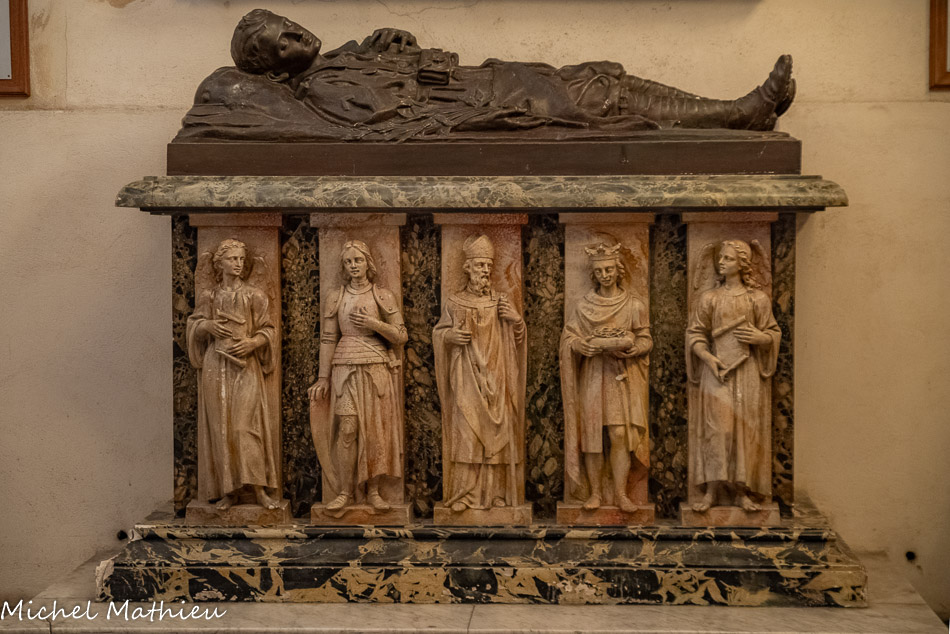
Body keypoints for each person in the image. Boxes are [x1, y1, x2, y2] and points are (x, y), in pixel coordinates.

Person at [179, 9, 796, 141]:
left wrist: (396, 43)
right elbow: (388, 116)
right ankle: (737, 114)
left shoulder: (345, 53)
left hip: (482, 78)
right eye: (283, 44)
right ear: (274, 67)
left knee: (598, 79)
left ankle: (737, 112)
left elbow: (397, 68)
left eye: (289, 25)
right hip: (478, 100)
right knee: (596, 94)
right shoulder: (320, 89)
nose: (298, 37)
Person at [308, 240, 407, 512]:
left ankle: (373, 490)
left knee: (375, 432)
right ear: (343, 266)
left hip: (375, 366)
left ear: (367, 263)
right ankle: (345, 491)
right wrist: (323, 377)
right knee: (348, 428)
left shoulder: (382, 295)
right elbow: (328, 338)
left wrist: (374, 324)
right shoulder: (336, 296)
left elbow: (401, 335)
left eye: (358, 260)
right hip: (344, 366)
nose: (353, 265)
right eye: (348, 261)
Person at [686, 240, 781, 513]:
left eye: (728, 258)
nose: (721, 262)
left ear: (742, 264)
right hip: (716, 370)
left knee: (744, 429)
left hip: (747, 371)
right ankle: (712, 490)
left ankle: (741, 491)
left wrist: (761, 337)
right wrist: (707, 357)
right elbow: (695, 334)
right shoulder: (710, 299)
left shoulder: (757, 299)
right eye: (721, 258)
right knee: (717, 430)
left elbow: (772, 332)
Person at [433, 235, 526, 512]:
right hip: (466, 378)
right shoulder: (455, 303)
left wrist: (516, 320)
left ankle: (496, 494)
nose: (485, 270)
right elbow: (439, 334)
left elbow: (518, 339)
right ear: (468, 268)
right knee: (468, 434)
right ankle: (466, 495)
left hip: (497, 375)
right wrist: (449, 337)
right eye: (479, 265)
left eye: (488, 265)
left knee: (497, 434)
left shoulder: (501, 302)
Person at [186, 239, 280, 510]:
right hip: (216, 366)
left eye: (241, 259)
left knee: (244, 428)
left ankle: (259, 490)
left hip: (246, 366)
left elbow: (269, 330)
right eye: (232, 259)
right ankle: (229, 491)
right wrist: (207, 326)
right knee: (222, 429)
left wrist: (252, 343)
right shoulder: (210, 296)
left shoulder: (254, 295)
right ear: (220, 263)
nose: (238, 264)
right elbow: (194, 326)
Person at [560, 243, 652, 513]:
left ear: (618, 270)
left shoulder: (633, 305)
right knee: (592, 435)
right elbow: (569, 337)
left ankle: (621, 493)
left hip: (619, 376)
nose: (605, 275)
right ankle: (596, 493)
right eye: (599, 270)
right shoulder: (583, 306)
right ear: (593, 274)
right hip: (592, 374)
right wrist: (580, 345)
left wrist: (635, 348)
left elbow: (645, 338)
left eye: (609, 269)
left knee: (619, 434)